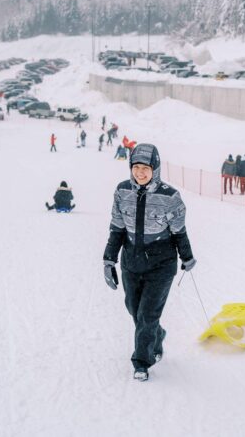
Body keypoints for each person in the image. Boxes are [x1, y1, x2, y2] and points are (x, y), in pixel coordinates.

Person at [103, 143, 196, 382]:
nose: (140, 172)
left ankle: (143, 361)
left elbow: (179, 232)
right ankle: (157, 334)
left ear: (155, 168)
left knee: (147, 315)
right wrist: (109, 260)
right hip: (131, 260)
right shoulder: (122, 191)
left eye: (145, 167)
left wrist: (187, 257)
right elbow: (117, 228)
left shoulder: (170, 196)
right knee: (135, 310)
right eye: (136, 167)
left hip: (161, 263)